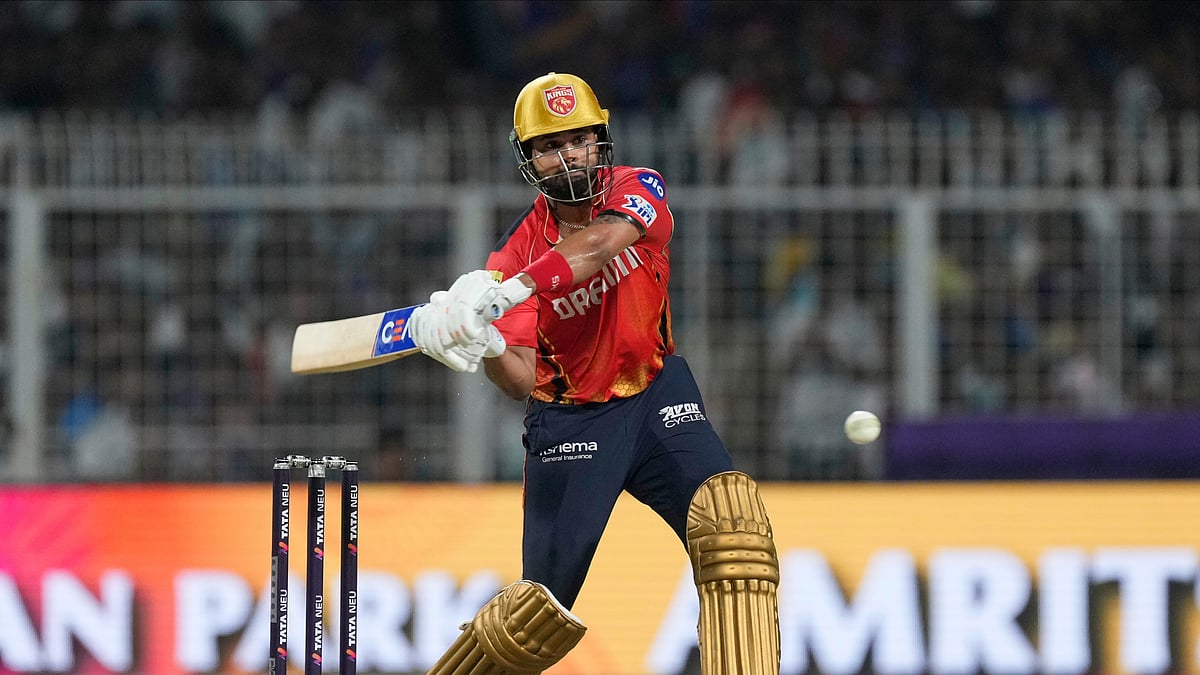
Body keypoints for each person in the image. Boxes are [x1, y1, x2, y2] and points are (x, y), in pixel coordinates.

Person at [408, 72, 780, 674]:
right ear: (529, 158)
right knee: (532, 619)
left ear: (600, 140)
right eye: (550, 146)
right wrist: (482, 342)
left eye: (578, 139)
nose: (568, 155)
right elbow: (521, 379)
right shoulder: (510, 257)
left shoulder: (639, 188)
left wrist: (519, 290)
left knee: (734, 531)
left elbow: (605, 242)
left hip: (658, 393)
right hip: (572, 422)